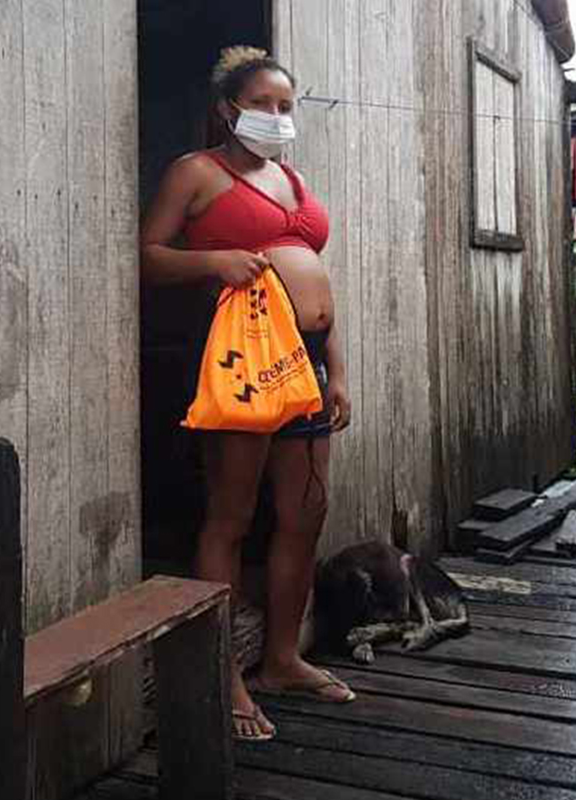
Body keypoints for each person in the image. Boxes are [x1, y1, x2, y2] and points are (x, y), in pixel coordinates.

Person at [139, 46, 354, 743]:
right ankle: (223, 672)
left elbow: (317, 278)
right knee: (229, 517)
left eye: (286, 106)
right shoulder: (196, 173)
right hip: (246, 360)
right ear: (229, 108)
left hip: (309, 363)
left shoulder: (291, 177)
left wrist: (339, 371)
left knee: (303, 514)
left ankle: (283, 657)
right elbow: (147, 254)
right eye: (263, 104)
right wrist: (214, 261)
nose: (276, 117)